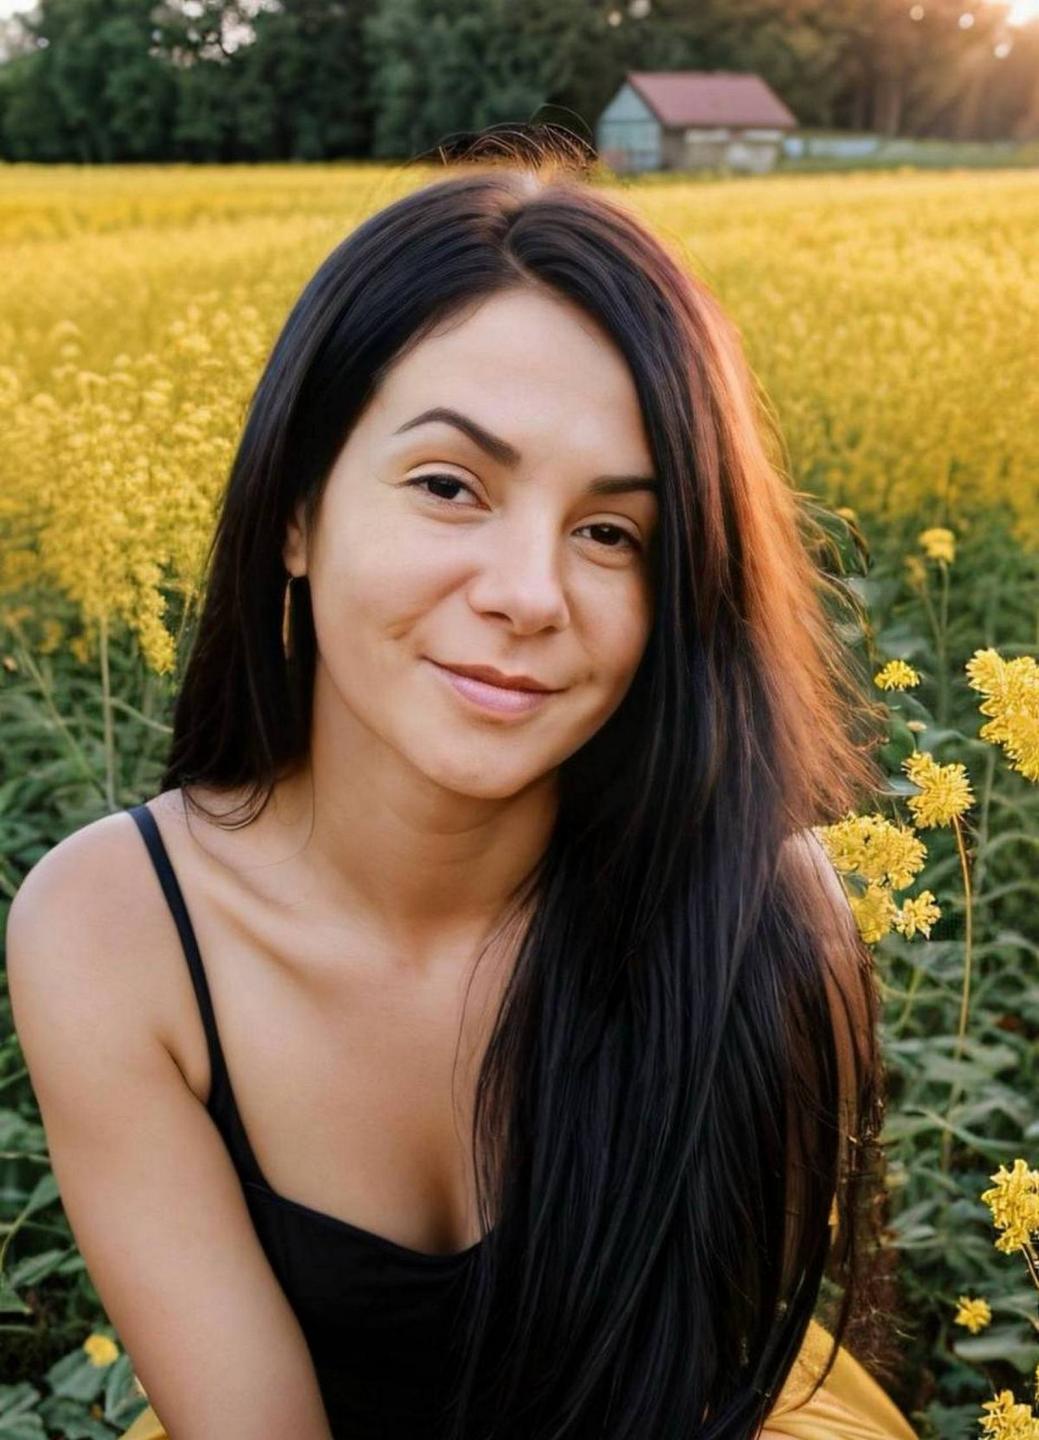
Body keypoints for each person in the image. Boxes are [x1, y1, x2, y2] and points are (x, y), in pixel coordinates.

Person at [7, 146, 919, 1439]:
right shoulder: (116, 935)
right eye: (449, 487)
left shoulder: (760, 914)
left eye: (611, 533)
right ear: (296, 509)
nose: (528, 595)